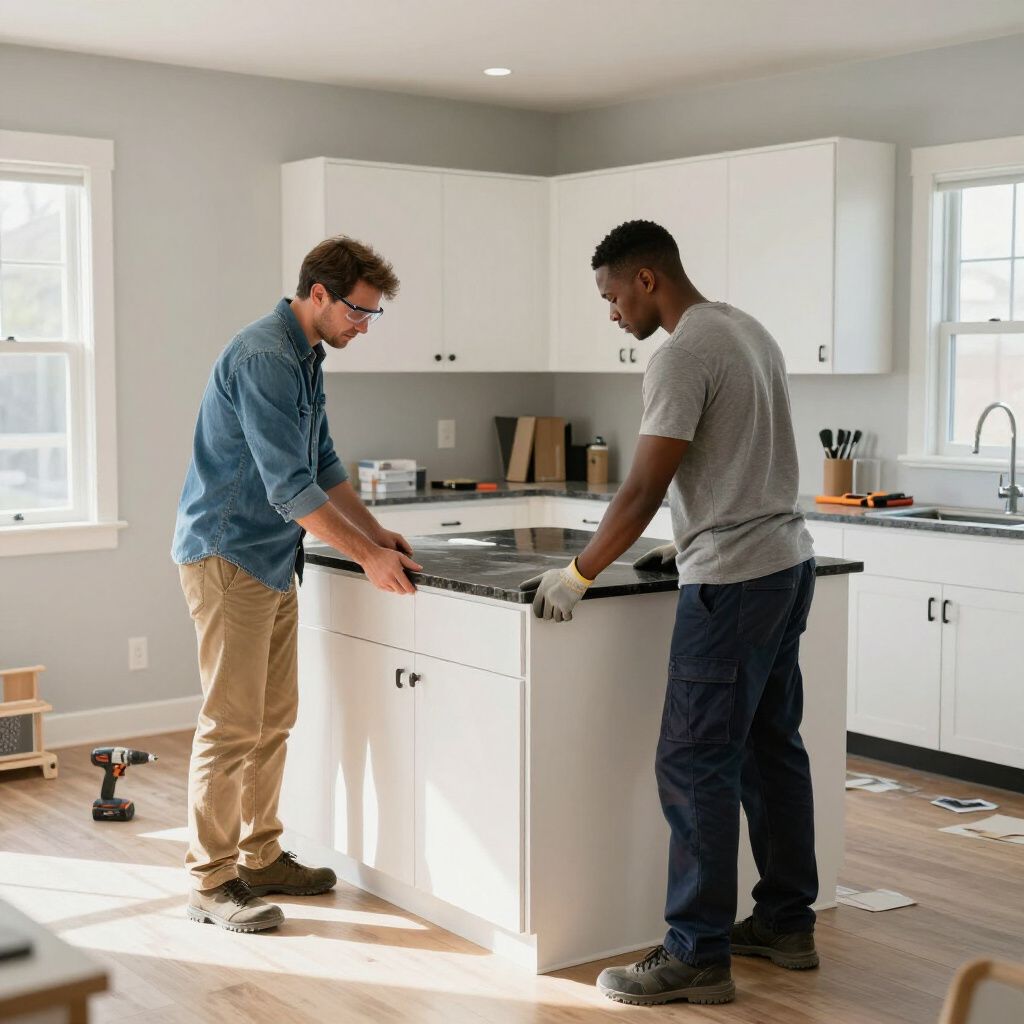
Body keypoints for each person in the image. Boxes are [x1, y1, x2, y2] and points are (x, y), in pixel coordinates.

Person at [521, 220, 818, 1006]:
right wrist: (685, 544)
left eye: (613, 294)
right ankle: (787, 923)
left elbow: (643, 488)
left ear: (647, 279)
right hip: (786, 562)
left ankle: (696, 954)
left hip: (733, 584)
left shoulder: (682, 352)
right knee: (770, 749)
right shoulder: (744, 328)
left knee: (693, 765)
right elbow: (739, 462)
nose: (612, 311)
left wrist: (579, 573)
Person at [172, 236, 422, 933]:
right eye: (358, 312)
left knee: (273, 717)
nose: (363, 326)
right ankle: (211, 881)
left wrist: (374, 536)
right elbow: (289, 488)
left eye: (373, 315)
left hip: (271, 556)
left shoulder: (306, 355)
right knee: (230, 724)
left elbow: (325, 463)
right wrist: (367, 560)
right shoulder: (265, 357)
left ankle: (261, 855)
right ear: (318, 293)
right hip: (228, 556)